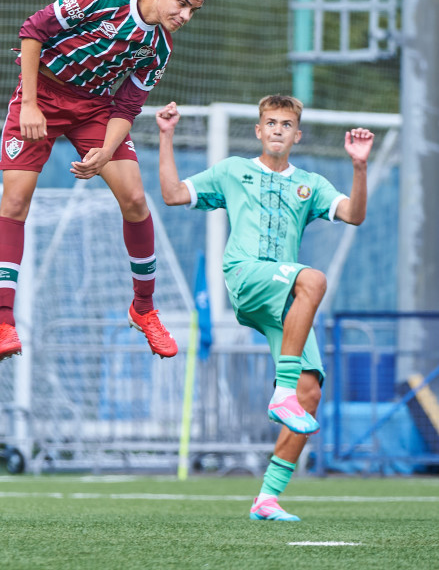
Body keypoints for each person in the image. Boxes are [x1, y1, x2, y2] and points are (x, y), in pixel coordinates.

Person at [156, 94, 374, 521]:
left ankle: (267, 499)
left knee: (309, 393)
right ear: (258, 130)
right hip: (247, 276)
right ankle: (281, 392)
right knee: (314, 279)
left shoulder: (309, 183)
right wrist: (166, 136)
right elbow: (172, 194)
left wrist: (359, 166)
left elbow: (354, 214)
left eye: (286, 124)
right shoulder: (233, 171)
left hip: (285, 299)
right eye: (270, 122)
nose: (277, 129)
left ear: (297, 134)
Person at [0, 0, 210, 362]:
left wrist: (106, 152)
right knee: (16, 202)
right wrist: (31, 105)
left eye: (192, 10)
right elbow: (33, 30)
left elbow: (126, 106)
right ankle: (5, 320)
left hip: (94, 109)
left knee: (135, 199)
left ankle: (143, 308)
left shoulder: (159, 47)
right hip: (42, 92)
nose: (185, 16)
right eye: (181, 3)